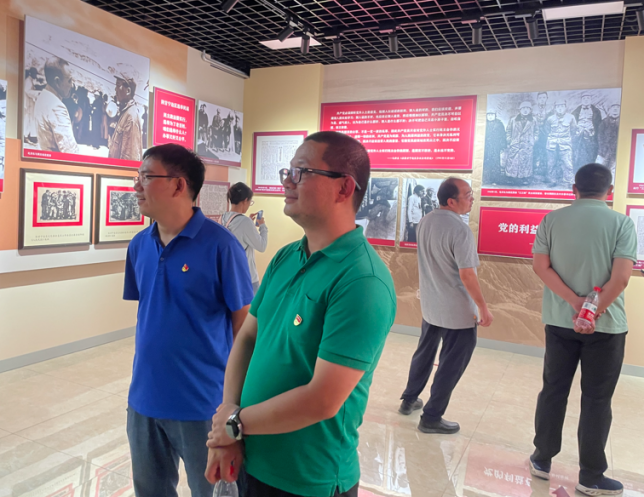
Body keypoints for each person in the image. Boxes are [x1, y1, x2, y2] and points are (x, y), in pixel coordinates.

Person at [204, 131, 397, 497]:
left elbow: (322, 399)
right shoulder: (286, 257)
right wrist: (230, 415)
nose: (287, 182)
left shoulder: (362, 280)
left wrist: (235, 424)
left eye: (302, 171)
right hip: (252, 457)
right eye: (288, 171)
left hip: (308, 479)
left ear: (344, 188)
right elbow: (248, 337)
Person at [123, 143, 254, 497]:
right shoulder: (139, 245)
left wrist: (235, 406)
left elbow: (244, 329)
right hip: (144, 402)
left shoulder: (221, 246)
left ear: (179, 185)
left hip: (204, 405)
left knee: (211, 491)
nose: (136, 185)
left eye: (146, 176)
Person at [529, 163, 636, 496]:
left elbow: (540, 266)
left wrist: (574, 302)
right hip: (606, 327)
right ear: (610, 191)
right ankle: (590, 475)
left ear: (573, 189)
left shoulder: (551, 220)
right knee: (596, 399)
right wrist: (592, 311)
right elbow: (621, 278)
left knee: (553, 390)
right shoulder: (622, 223)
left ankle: (541, 459)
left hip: (560, 323)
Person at [398, 178, 493, 434]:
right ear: (451, 201)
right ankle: (432, 417)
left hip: (431, 305)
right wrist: (483, 307)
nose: (472, 198)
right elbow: (467, 275)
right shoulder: (460, 230)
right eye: (467, 195)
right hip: (457, 311)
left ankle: (409, 399)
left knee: (424, 352)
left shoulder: (426, 221)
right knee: (451, 364)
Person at [221, 182, 268, 294]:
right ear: (245, 200)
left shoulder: (223, 218)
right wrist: (262, 226)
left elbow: (238, 236)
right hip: (247, 277)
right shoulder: (245, 222)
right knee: (252, 305)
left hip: (229, 274)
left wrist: (249, 222)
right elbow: (262, 246)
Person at [33, 57, 80, 154]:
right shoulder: (57, 106)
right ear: (57, 82)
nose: (71, 85)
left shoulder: (42, 97)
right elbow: (70, 151)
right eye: (69, 81)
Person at [109, 71, 143, 161]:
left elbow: (129, 159)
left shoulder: (131, 116)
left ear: (128, 91)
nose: (115, 89)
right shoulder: (126, 112)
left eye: (118, 85)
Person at [544, 100, 578, 189]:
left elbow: (574, 130)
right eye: (558, 106)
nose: (560, 108)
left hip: (565, 144)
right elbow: (547, 130)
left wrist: (567, 140)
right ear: (555, 108)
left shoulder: (571, 117)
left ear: (565, 107)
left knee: (567, 163)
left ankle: (569, 181)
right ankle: (552, 181)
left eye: (562, 106)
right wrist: (553, 138)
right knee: (551, 163)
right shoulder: (550, 119)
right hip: (552, 144)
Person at [505, 102, 538, 185]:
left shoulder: (533, 120)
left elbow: (536, 131)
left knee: (526, 162)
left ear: (530, 110)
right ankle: (511, 178)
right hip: (515, 144)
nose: (525, 110)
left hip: (527, 145)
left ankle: (524, 178)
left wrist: (533, 140)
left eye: (527, 108)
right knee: (513, 161)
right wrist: (510, 140)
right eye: (523, 108)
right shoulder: (513, 120)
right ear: (520, 110)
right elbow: (508, 131)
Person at [572, 94, 603, 174]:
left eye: (588, 98)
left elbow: (599, 125)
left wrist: (594, 134)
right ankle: (577, 173)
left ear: (591, 100)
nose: (586, 100)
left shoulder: (596, 111)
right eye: (584, 98)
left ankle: (590, 173)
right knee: (577, 154)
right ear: (581, 100)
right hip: (578, 136)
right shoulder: (576, 111)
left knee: (590, 154)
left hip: (591, 136)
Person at [482, 111, 507, 185]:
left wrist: (503, 145)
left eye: (492, 115)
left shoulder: (499, 124)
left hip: (496, 146)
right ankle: (486, 180)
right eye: (489, 115)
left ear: (495, 116)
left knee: (495, 162)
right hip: (486, 146)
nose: (490, 116)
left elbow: (503, 135)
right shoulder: (484, 123)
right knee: (486, 162)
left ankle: (495, 180)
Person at [596, 104, 620, 175]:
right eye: (613, 108)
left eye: (617, 108)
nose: (615, 110)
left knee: (614, 170)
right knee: (600, 168)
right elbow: (600, 136)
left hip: (617, 151)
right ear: (609, 111)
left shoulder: (623, 122)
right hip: (604, 150)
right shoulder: (604, 122)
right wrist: (602, 148)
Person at [533, 92, 551, 182]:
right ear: (537, 99)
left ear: (547, 98)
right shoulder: (532, 109)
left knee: (544, 152)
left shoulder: (550, 110)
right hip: (534, 134)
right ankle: (532, 171)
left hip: (545, 135)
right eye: (540, 98)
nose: (542, 99)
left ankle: (543, 171)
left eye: (544, 97)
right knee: (534, 152)